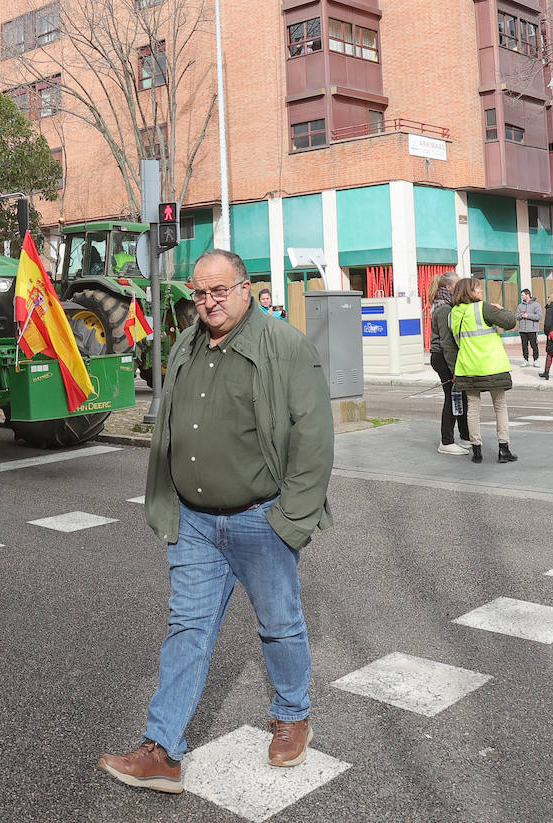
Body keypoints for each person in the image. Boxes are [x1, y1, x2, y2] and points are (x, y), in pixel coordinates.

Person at [98, 249, 334, 793]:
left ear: (245, 288)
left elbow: (314, 436)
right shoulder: (189, 343)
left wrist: (291, 521)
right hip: (196, 523)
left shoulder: (283, 345)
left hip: (260, 520)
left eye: (219, 291)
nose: (208, 303)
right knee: (187, 631)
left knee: (279, 625)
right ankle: (162, 750)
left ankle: (292, 715)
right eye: (200, 294)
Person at [445, 277, 517, 464]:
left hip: (468, 368)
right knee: (500, 406)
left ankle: (477, 451)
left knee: (473, 409)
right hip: (492, 365)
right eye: (477, 288)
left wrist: (454, 370)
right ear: (469, 291)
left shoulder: (453, 313)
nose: (481, 291)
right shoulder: (483, 308)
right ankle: (503, 449)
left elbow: (452, 345)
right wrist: (502, 310)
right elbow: (510, 322)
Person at [428, 273, 471, 455]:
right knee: (453, 397)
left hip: (443, 357)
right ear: (450, 287)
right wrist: (455, 370)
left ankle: (465, 437)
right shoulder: (445, 309)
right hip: (443, 358)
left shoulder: (444, 305)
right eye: (459, 284)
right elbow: (447, 342)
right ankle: (446, 441)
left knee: (460, 396)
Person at [517, 289, 542, 367]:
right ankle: (526, 360)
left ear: (527, 295)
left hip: (532, 329)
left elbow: (539, 316)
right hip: (522, 330)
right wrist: (521, 315)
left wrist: (529, 315)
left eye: (522, 295)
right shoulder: (520, 306)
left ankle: (536, 360)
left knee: (534, 345)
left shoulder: (536, 305)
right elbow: (516, 316)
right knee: (524, 346)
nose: (521, 297)